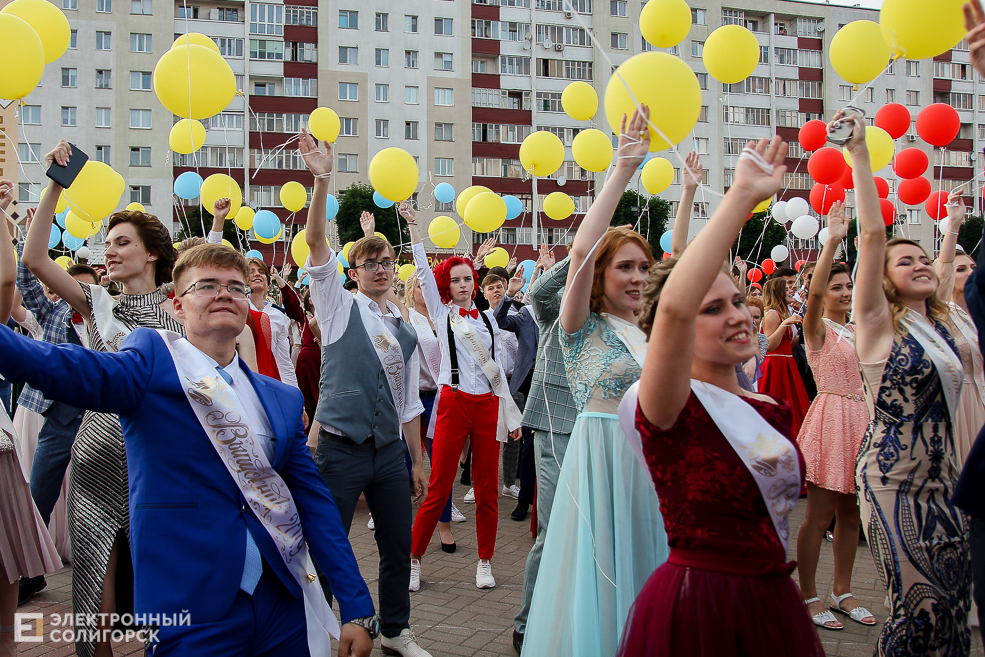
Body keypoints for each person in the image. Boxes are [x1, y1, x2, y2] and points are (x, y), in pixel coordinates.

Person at [0, 242, 378, 656]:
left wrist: (356, 606)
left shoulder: (282, 400)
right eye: (207, 285)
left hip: (281, 602)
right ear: (177, 307)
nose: (224, 294)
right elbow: (59, 366)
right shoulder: (150, 364)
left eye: (235, 287)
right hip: (190, 605)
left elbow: (315, 505)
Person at [618, 134, 823, 657]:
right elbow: (673, 308)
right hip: (700, 604)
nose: (737, 316)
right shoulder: (666, 406)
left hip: (773, 601)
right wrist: (741, 196)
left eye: (736, 301)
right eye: (712, 308)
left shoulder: (770, 408)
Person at [22, 141, 186, 657]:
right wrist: (55, 183)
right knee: (95, 590)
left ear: (152, 253)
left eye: (121, 243)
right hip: (95, 455)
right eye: (107, 243)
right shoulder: (97, 303)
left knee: (164, 585)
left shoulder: (183, 310)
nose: (108, 251)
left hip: (156, 458)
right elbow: (33, 258)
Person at [521, 108, 667, 657]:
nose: (637, 277)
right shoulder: (580, 327)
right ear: (601, 277)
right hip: (599, 459)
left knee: (647, 571)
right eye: (625, 267)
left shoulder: (654, 331)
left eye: (643, 267)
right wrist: (624, 169)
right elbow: (581, 252)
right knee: (601, 575)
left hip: (651, 465)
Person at [297, 130, 431, 657]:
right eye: (368, 263)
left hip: (389, 453)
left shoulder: (405, 325)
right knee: (327, 546)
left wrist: (417, 459)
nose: (379, 269)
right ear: (352, 273)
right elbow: (315, 244)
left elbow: (408, 403)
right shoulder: (337, 306)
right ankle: (321, 630)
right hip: (338, 449)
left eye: (386, 262)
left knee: (397, 545)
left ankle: (395, 628)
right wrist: (322, 179)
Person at [847, 110, 971, 655]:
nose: (921, 265)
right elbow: (872, 233)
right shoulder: (877, 323)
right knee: (918, 611)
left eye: (924, 259)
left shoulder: (939, 324)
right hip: (892, 481)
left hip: (946, 482)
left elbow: (944, 268)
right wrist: (859, 155)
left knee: (953, 604)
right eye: (905, 262)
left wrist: (953, 230)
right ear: (883, 279)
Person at [404, 204, 522, 591]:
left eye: (468, 278)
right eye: (455, 280)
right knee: (439, 486)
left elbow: (499, 373)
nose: (463, 284)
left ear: (476, 281)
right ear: (447, 286)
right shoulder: (442, 315)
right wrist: (414, 227)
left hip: (487, 406)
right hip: (453, 403)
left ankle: (485, 561)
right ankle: (414, 559)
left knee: (487, 491)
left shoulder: (489, 319)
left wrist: (511, 416)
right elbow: (423, 272)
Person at [794, 202, 874, 630]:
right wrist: (833, 242)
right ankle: (808, 595)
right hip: (829, 420)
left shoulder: (860, 329)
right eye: (837, 287)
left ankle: (842, 591)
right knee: (819, 516)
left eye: (849, 286)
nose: (844, 292)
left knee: (852, 516)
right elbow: (813, 295)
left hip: (862, 421)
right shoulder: (817, 328)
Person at [0, 180, 62, 657]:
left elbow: (8, 279)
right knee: (38, 486)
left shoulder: (100, 308)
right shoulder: (47, 313)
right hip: (47, 410)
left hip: (95, 414)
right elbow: (18, 278)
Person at [511, 246, 578, 654]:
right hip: (555, 426)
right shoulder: (559, 309)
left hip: (602, 433)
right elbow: (538, 293)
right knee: (552, 531)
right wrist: (584, 251)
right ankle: (527, 622)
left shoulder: (621, 320)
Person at [404, 271, 466, 550]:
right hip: (411, 399)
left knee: (442, 464)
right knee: (403, 462)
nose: (424, 289)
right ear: (411, 291)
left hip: (438, 398)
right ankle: (400, 522)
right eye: (419, 285)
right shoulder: (406, 317)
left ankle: (444, 524)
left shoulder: (447, 317)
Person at [935, 191, 985, 467]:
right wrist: (954, 224)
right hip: (961, 406)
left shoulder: (980, 313)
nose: (970, 272)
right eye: (961, 269)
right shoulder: (942, 312)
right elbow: (942, 272)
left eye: (973, 267)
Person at [493, 264, 541, 522]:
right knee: (527, 444)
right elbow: (500, 321)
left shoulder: (562, 312)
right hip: (526, 386)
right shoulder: (526, 314)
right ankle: (524, 500)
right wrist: (509, 294)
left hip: (553, 387)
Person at [759, 277, 811, 435]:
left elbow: (788, 343)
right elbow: (770, 345)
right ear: (778, 292)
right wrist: (784, 324)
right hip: (776, 365)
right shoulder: (773, 315)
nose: (791, 291)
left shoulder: (785, 312)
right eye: (786, 289)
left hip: (788, 363)